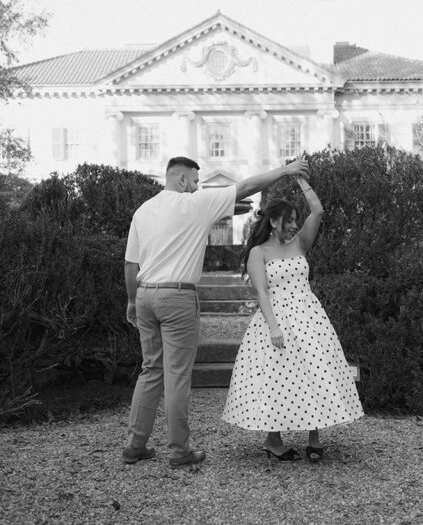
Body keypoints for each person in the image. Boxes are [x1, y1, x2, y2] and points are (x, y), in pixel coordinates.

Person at [123, 155, 309, 468]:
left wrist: (131, 301)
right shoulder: (195, 203)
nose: (198, 187)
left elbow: (131, 264)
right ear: (182, 180)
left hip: (144, 295)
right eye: (195, 181)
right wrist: (287, 170)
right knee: (177, 376)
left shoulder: (143, 211)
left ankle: (134, 445)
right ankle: (179, 450)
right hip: (177, 297)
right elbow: (248, 186)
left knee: (150, 369)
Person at [221, 174, 363, 463]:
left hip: (309, 317)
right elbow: (261, 292)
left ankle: (314, 437)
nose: (295, 225)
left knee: (315, 371)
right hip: (276, 320)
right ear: (274, 222)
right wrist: (273, 327)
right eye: (289, 220)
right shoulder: (258, 253)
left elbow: (319, 211)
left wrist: (301, 180)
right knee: (276, 378)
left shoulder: (299, 244)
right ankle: (273, 440)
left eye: (296, 220)